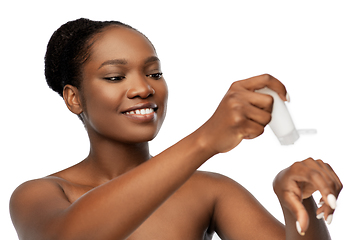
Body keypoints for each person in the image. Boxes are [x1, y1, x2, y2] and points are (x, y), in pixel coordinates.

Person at [9, 18, 342, 240]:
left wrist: (300, 205)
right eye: (114, 77)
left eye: (154, 73)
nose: (143, 89)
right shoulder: (41, 195)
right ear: (74, 98)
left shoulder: (209, 192)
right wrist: (204, 141)